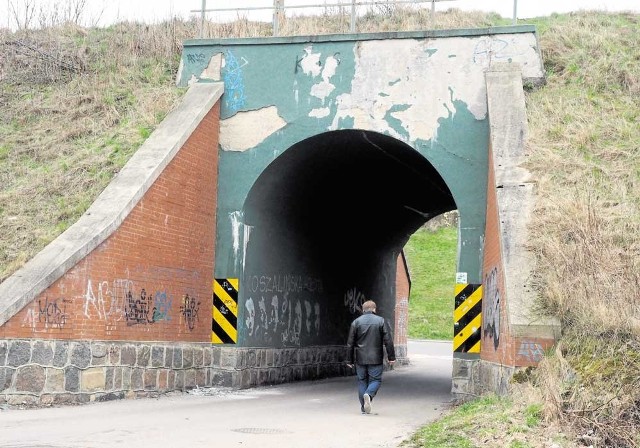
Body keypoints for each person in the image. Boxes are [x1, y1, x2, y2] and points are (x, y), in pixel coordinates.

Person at [346, 299, 396, 414]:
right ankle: (368, 394)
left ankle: (364, 407)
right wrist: (391, 357)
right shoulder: (381, 321)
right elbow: (388, 340)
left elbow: (350, 343)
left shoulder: (356, 322)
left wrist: (349, 359)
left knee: (362, 381)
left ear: (363, 310)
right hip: (376, 358)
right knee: (375, 380)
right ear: (374, 309)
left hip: (360, 358)